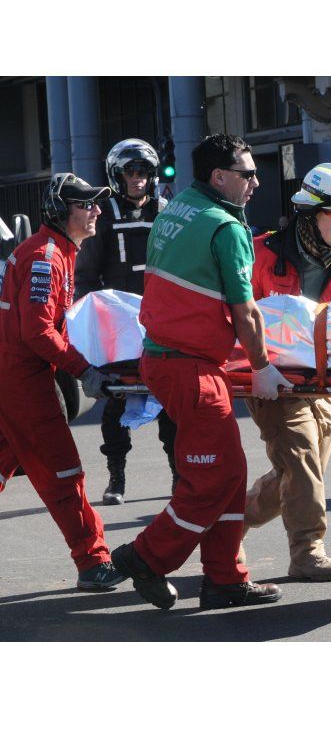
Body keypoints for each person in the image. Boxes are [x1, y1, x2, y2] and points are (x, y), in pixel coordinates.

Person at [110, 133, 289, 610]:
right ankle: (143, 557)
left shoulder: (176, 210)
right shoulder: (225, 227)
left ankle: (225, 579)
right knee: (212, 478)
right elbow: (245, 312)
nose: (256, 182)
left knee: (230, 474)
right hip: (189, 365)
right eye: (248, 174)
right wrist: (263, 366)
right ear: (220, 176)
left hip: (171, 357)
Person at [245, 162, 331, 581]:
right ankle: (307, 551)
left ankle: (229, 520)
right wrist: (258, 367)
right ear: (310, 213)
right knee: (301, 459)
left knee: (300, 471)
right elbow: (239, 315)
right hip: (275, 377)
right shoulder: (262, 253)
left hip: (328, 381)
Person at [0, 173, 125, 590]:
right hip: (22, 381)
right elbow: (37, 332)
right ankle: (93, 562)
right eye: (85, 204)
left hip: (15, 375)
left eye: (96, 203)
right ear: (59, 211)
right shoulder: (46, 257)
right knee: (64, 471)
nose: (96, 210)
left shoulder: (56, 251)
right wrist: (84, 370)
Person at [75, 138, 177, 506]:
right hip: (118, 325)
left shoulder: (168, 212)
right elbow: (85, 275)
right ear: (116, 176)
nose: (137, 178)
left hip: (162, 320)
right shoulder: (103, 214)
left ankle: (179, 476)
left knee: (170, 401)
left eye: (143, 171)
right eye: (129, 172)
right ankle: (116, 477)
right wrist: (90, 321)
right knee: (116, 400)